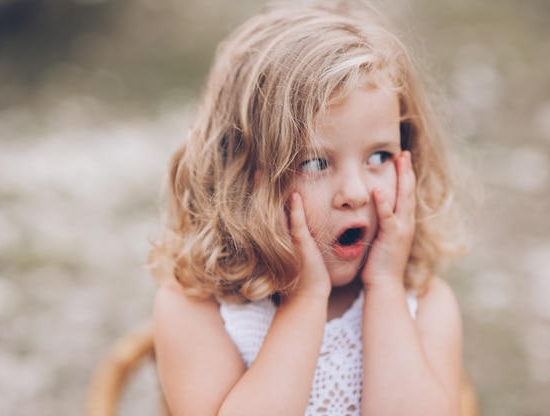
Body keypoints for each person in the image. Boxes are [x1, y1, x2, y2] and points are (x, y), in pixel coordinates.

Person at [150, 1, 469, 414]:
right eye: (315, 163)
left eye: (379, 157)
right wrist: (305, 300)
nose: (354, 192)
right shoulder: (196, 306)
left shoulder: (425, 303)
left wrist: (386, 291)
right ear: (243, 178)